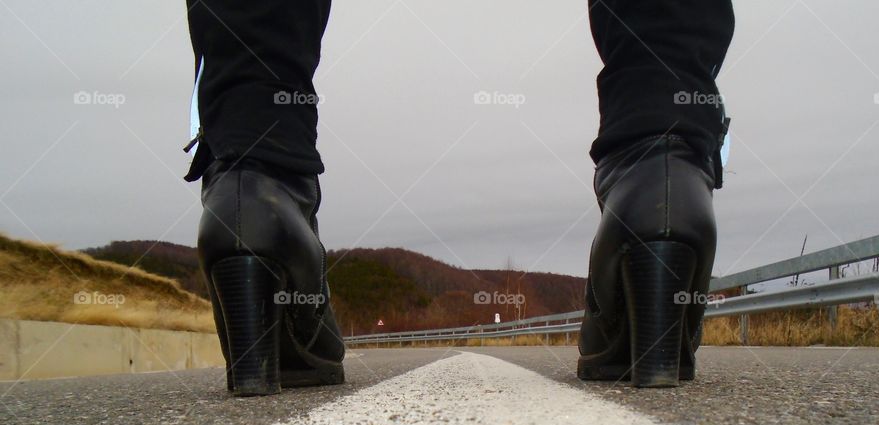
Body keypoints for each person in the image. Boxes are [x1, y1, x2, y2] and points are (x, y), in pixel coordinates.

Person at [184, 0, 734, 395]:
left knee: (253, 75)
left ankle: (254, 176)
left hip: (240, 158)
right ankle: (662, 153)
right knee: (662, 54)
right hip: (672, 147)